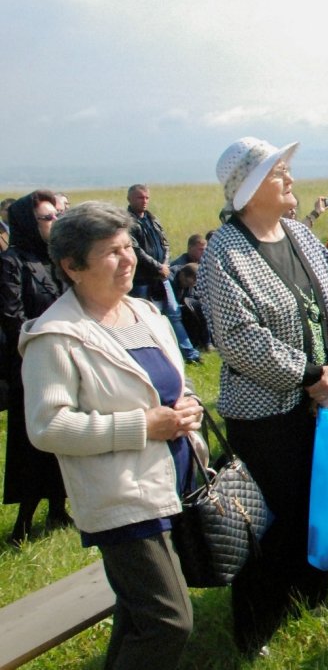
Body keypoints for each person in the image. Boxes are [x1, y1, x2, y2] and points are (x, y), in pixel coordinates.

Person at [196, 137, 328, 656]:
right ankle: (256, 627)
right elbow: (240, 338)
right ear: (247, 191)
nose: (289, 176)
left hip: (320, 404)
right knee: (267, 521)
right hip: (265, 417)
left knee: (314, 506)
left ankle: (309, 599)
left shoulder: (299, 235)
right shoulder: (224, 254)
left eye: (286, 167)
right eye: (276, 172)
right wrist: (312, 373)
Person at [23, 201, 204, 666]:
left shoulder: (144, 312)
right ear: (72, 266)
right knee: (169, 621)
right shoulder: (57, 336)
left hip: (173, 480)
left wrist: (188, 410)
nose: (128, 259)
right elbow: (48, 427)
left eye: (129, 247)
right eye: (111, 252)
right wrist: (144, 426)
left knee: (138, 614)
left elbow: (170, 386)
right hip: (121, 497)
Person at [0, 190, 70, 544]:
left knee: (65, 434)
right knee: (32, 444)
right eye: (47, 217)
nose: (54, 221)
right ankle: (23, 523)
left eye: (55, 215)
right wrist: (44, 340)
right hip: (31, 363)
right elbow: (12, 316)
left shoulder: (55, 258)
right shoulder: (11, 261)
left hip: (64, 359)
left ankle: (58, 509)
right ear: (30, 222)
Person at [126, 184, 201, 364]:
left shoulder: (153, 219)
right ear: (129, 199)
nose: (144, 201)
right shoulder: (126, 222)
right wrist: (157, 267)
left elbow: (165, 244)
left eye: (146, 197)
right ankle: (154, 358)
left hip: (162, 277)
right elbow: (135, 249)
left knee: (174, 314)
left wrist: (164, 265)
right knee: (146, 319)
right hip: (143, 279)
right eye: (139, 198)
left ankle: (189, 354)